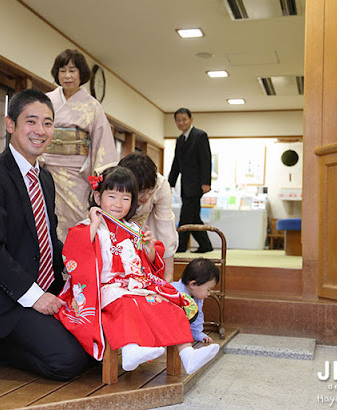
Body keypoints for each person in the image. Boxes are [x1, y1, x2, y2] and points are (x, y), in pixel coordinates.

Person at [0, 89, 90, 381]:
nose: (40, 131)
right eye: (31, 121)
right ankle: (1, 349)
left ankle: (17, 340)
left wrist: (82, 267)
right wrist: (34, 297)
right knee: (68, 361)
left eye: (48, 123)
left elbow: (48, 240)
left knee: (95, 346)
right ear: (11, 124)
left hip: (45, 290)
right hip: (8, 298)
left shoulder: (45, 178)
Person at [55, 166, 220, 374]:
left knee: (168, 305)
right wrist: (94, 226)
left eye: (125, 198)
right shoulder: (88, 225)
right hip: (105, 287)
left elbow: (144, 263)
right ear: (98, 197)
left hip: (136, 284)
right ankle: (131, 349)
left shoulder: (133, 228)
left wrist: (150, 250)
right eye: (112, 196)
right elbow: (75, 254)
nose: (118, 204)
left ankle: (187, 354)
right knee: (127, 304)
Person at [44, 49, 118, 242]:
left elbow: (103, 144)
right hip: (46, 169)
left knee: (76, 221)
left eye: (72, 70)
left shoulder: (92, 106)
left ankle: (72, 268)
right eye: (62, 70)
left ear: (81, 73)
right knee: (45, 220)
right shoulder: (46, 101)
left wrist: (100, 177)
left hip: (77, 175)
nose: (67, 76)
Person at [118, 151, 178, 282]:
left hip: (144, 227)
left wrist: (169, 276)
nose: (145, 197)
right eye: (140, 192)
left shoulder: (161, 185)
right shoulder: (114, 183)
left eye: (149, 190)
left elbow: (166, 228)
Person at [168, 108, 214, 253]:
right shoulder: (180, 139)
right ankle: (206, 245)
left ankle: (180, 247)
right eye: (178, 120)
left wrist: (206, 182)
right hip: (185, 184)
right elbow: (176, 163)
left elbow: (206, 159)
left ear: (191, 119)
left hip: (197, 185)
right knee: (193, 217)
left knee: (185, 216)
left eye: (184, 119)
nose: (181, 123)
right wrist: (170, 182)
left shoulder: (200, 135)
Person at [172, 259, 220, 344]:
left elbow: (197, 316)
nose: (209, 294)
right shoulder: (174, 292)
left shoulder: (196, 297)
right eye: (208, 290)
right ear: (193, 284)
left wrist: (198, 334)